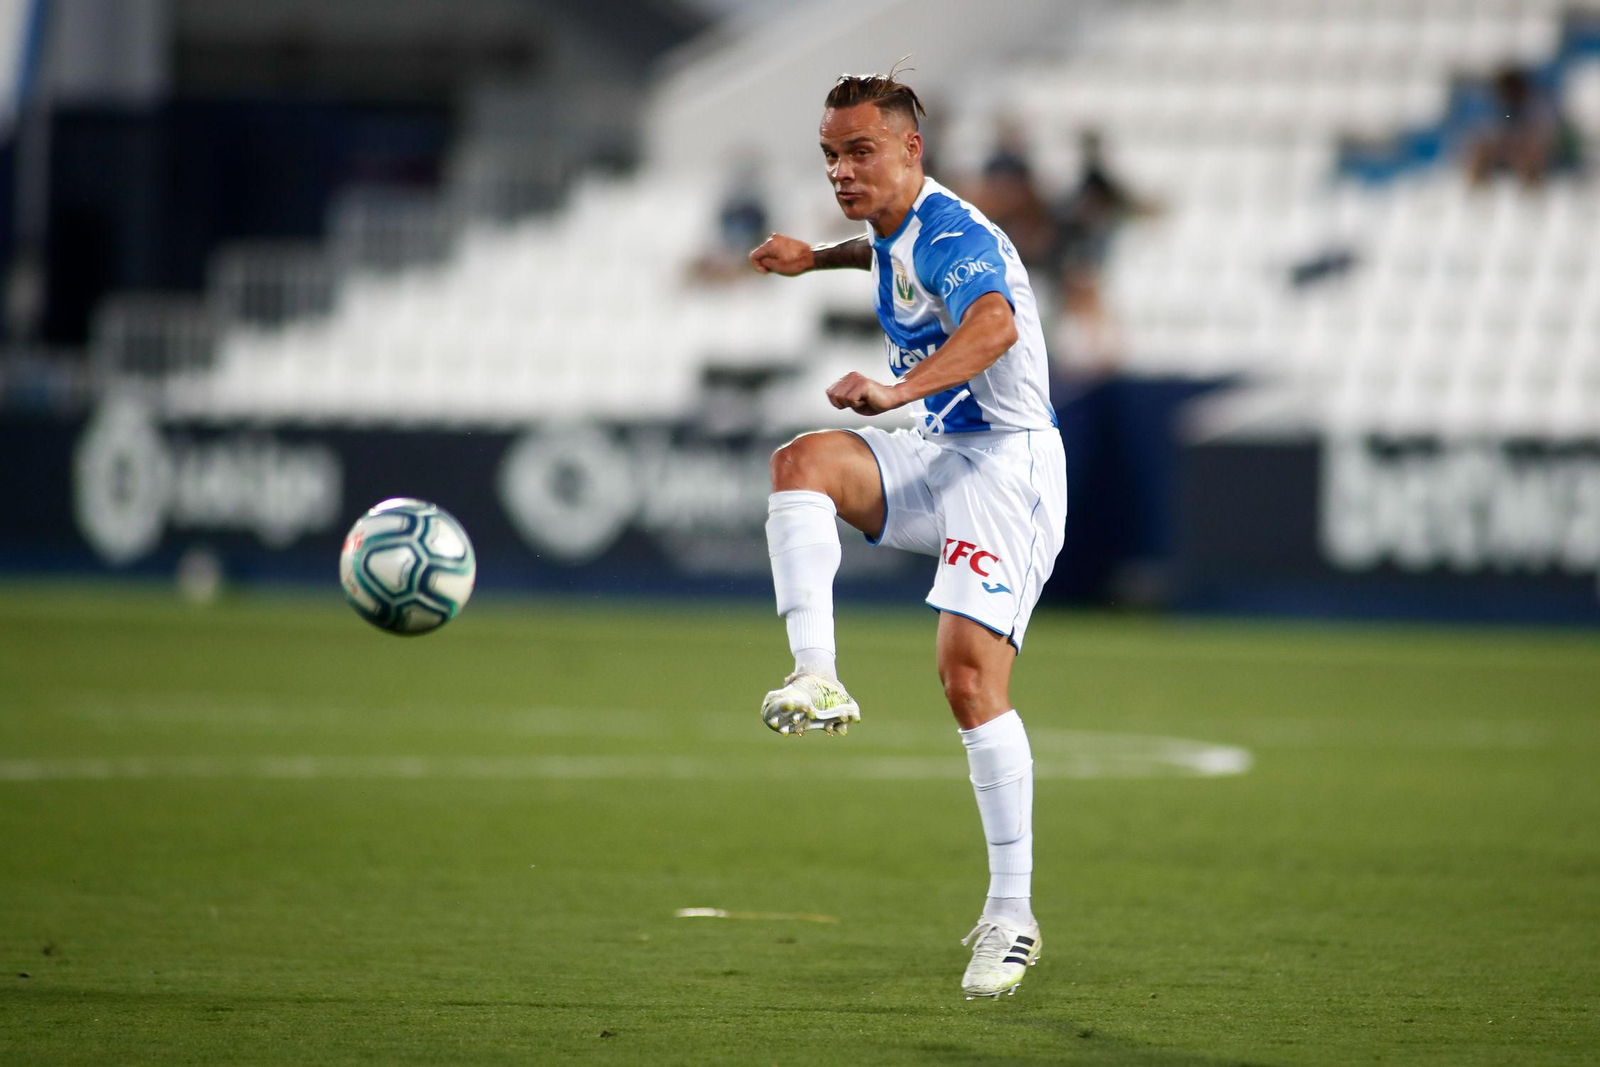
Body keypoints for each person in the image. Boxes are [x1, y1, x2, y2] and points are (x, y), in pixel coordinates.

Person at [748, 72, 1066, 1000]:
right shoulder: (898, 225)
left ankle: (1012, 914)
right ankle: (817, 672)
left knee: (968, 682)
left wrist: (894, 391)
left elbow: (994, 326)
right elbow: (883, 251)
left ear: (910, 150)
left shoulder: (956, 234)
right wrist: (815, 259)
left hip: (1007, 468)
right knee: (802, 463)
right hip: (943, 452)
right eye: (830, 155)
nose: (842, 171)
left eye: (860, 151)